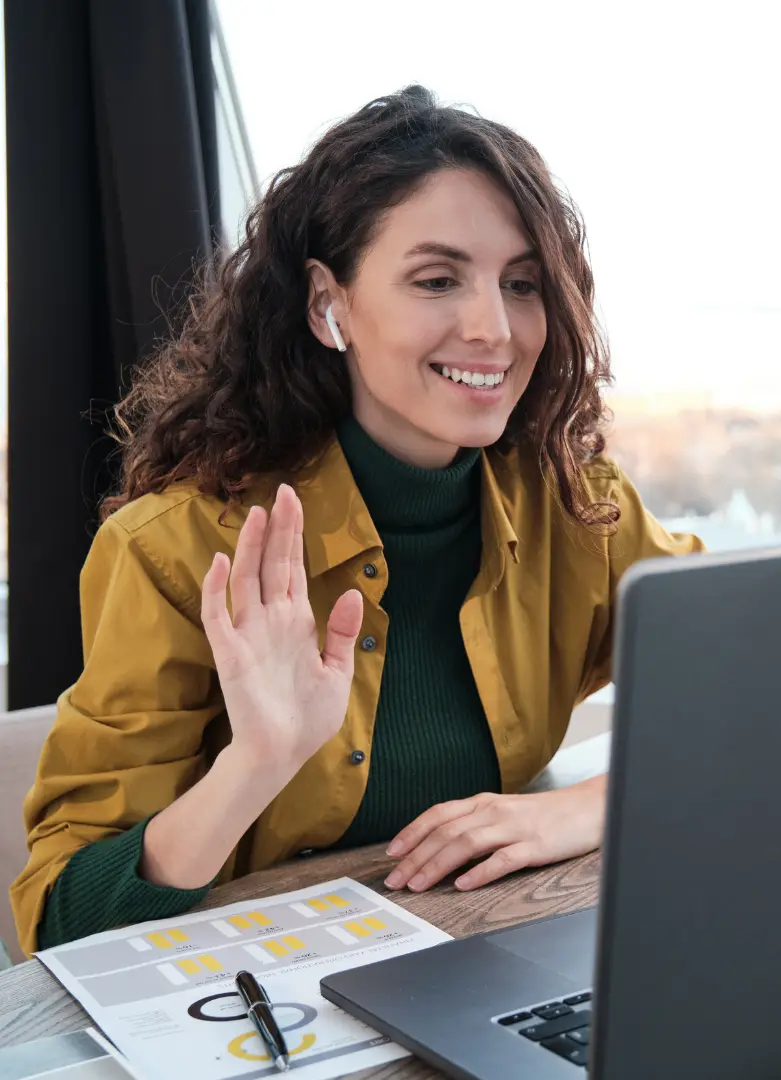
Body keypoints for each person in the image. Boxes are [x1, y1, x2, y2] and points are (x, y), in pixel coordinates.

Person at [11, 85, 703, 957]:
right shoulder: (175, 548)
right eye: (437, 279)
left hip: (496, 953)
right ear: (327, 303)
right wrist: (255, 762)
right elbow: (58, 924)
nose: (494, 328)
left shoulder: (578, 501)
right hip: (262, 1000)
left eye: (522, 284)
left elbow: (762, 682)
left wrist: (579, 809)